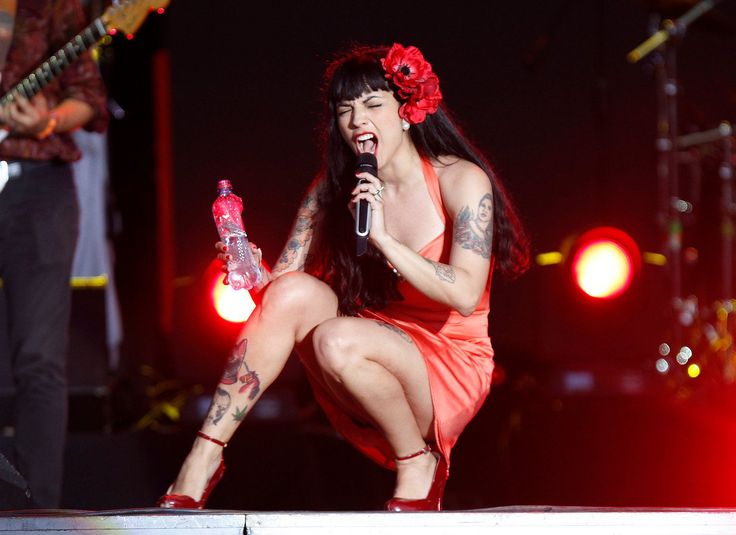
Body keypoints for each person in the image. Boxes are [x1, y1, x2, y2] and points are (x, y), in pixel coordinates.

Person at [158, 43, 528, 511]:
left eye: (373, 104)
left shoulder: (460, 179)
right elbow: (278, 302)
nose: (357, 121)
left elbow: (466, 292)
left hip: (447, 364)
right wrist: (250, 269)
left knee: (336, 338)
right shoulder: (330, 189)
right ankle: (204, 455)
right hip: (363, 352)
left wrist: (384, 239)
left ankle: (418, 461)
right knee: (293, 292)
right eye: (345, 110)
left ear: (407, 112)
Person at [0, 0, 108, 508]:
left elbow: (88, 98)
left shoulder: (51, 8)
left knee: (39, 356)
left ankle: (35, 512)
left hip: (37, 189)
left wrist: (46, 121)